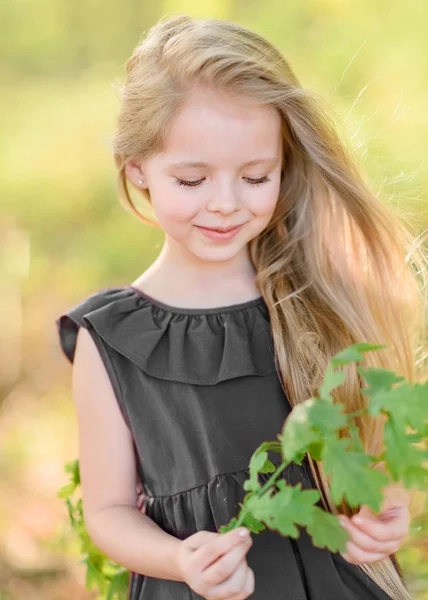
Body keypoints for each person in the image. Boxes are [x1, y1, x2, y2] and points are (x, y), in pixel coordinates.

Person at [55, 14, 426, 600]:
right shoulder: (110, 340)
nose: (225, 204)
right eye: (192, 180)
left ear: (283, 165)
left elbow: (361, 449)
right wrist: (179, 558)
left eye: (255, 177)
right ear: (137, 169)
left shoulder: (317, 297)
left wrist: (384, 505)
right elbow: (107, 511)